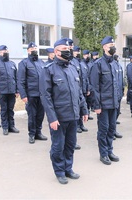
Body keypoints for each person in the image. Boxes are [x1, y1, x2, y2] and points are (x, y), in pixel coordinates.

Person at [39, 38, 88, 184]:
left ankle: (68, 168)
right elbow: (46, 96)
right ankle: (59, 171)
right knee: (58, 146)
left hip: (73, 115)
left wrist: (84, 109)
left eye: (68, 49)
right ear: (56, 52)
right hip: (59, 117)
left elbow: (78, 92)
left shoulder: (73, 68)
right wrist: (52, 118)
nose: (67, 51)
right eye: (63, 49)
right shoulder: (48, 70)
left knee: (70, 144)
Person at [89, 36, 120, 165]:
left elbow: (117, 84)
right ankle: (103, 153)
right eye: (109, 44)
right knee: (104, 129)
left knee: (112, 128)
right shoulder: (98, 64)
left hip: (114, 103)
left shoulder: (115, 63)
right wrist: (96, 105)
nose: (112, 46)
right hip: (103, 104)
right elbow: (94, 87)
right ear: (104, 47)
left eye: (113, 44)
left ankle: (109, 150)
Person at [17, 42, 48, 144]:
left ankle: (38, 132)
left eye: (35, 48)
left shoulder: (41, 63)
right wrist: (23, 95)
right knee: (32, 115)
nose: (34, 50)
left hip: (41, 94)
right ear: (28, 51)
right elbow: (20, 81)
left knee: (40, 115)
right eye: (32, 48)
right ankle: (31, 134)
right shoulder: (24, 63)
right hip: (31, 95)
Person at [0, 45, 19, 135]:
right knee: (4, 109)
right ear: (0, 52)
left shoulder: (12, 64)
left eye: (6, 51)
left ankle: (12, 126)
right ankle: (5, 127)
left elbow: (16, 78)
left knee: (11, 109)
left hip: (12, 91)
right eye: (3, 51)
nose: (5, 53)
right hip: (2, 91)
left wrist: (17, 90)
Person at [71, 45, 89, 134]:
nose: (77, 53)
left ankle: (81, 124)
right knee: (77, 108)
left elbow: (83, 77)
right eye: (76, 51)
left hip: (80, 88)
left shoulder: (79, 62)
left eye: (78, 52)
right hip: (75, 88)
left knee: (82, 107)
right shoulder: (71, 62)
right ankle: (77, 125)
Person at [80, 49, 93, 120]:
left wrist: (89, 88)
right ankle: (83, 117)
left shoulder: (89, 64)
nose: (87, 56)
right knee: (83, 103)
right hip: (83, 88)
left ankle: (88, 113)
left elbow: (89, 77)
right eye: (85, 55)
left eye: (88, 55)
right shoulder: (82, 64)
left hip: (88, 86)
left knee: (89, 102)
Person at [113, 54, 124, 139]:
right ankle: (111, 131)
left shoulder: (119, 66)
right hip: (113, 95)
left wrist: (123, 90)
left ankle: (113, 130)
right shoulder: (111, 65)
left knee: (117, 113)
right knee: (112, 115)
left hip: (119, 93)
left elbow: (121, 80)